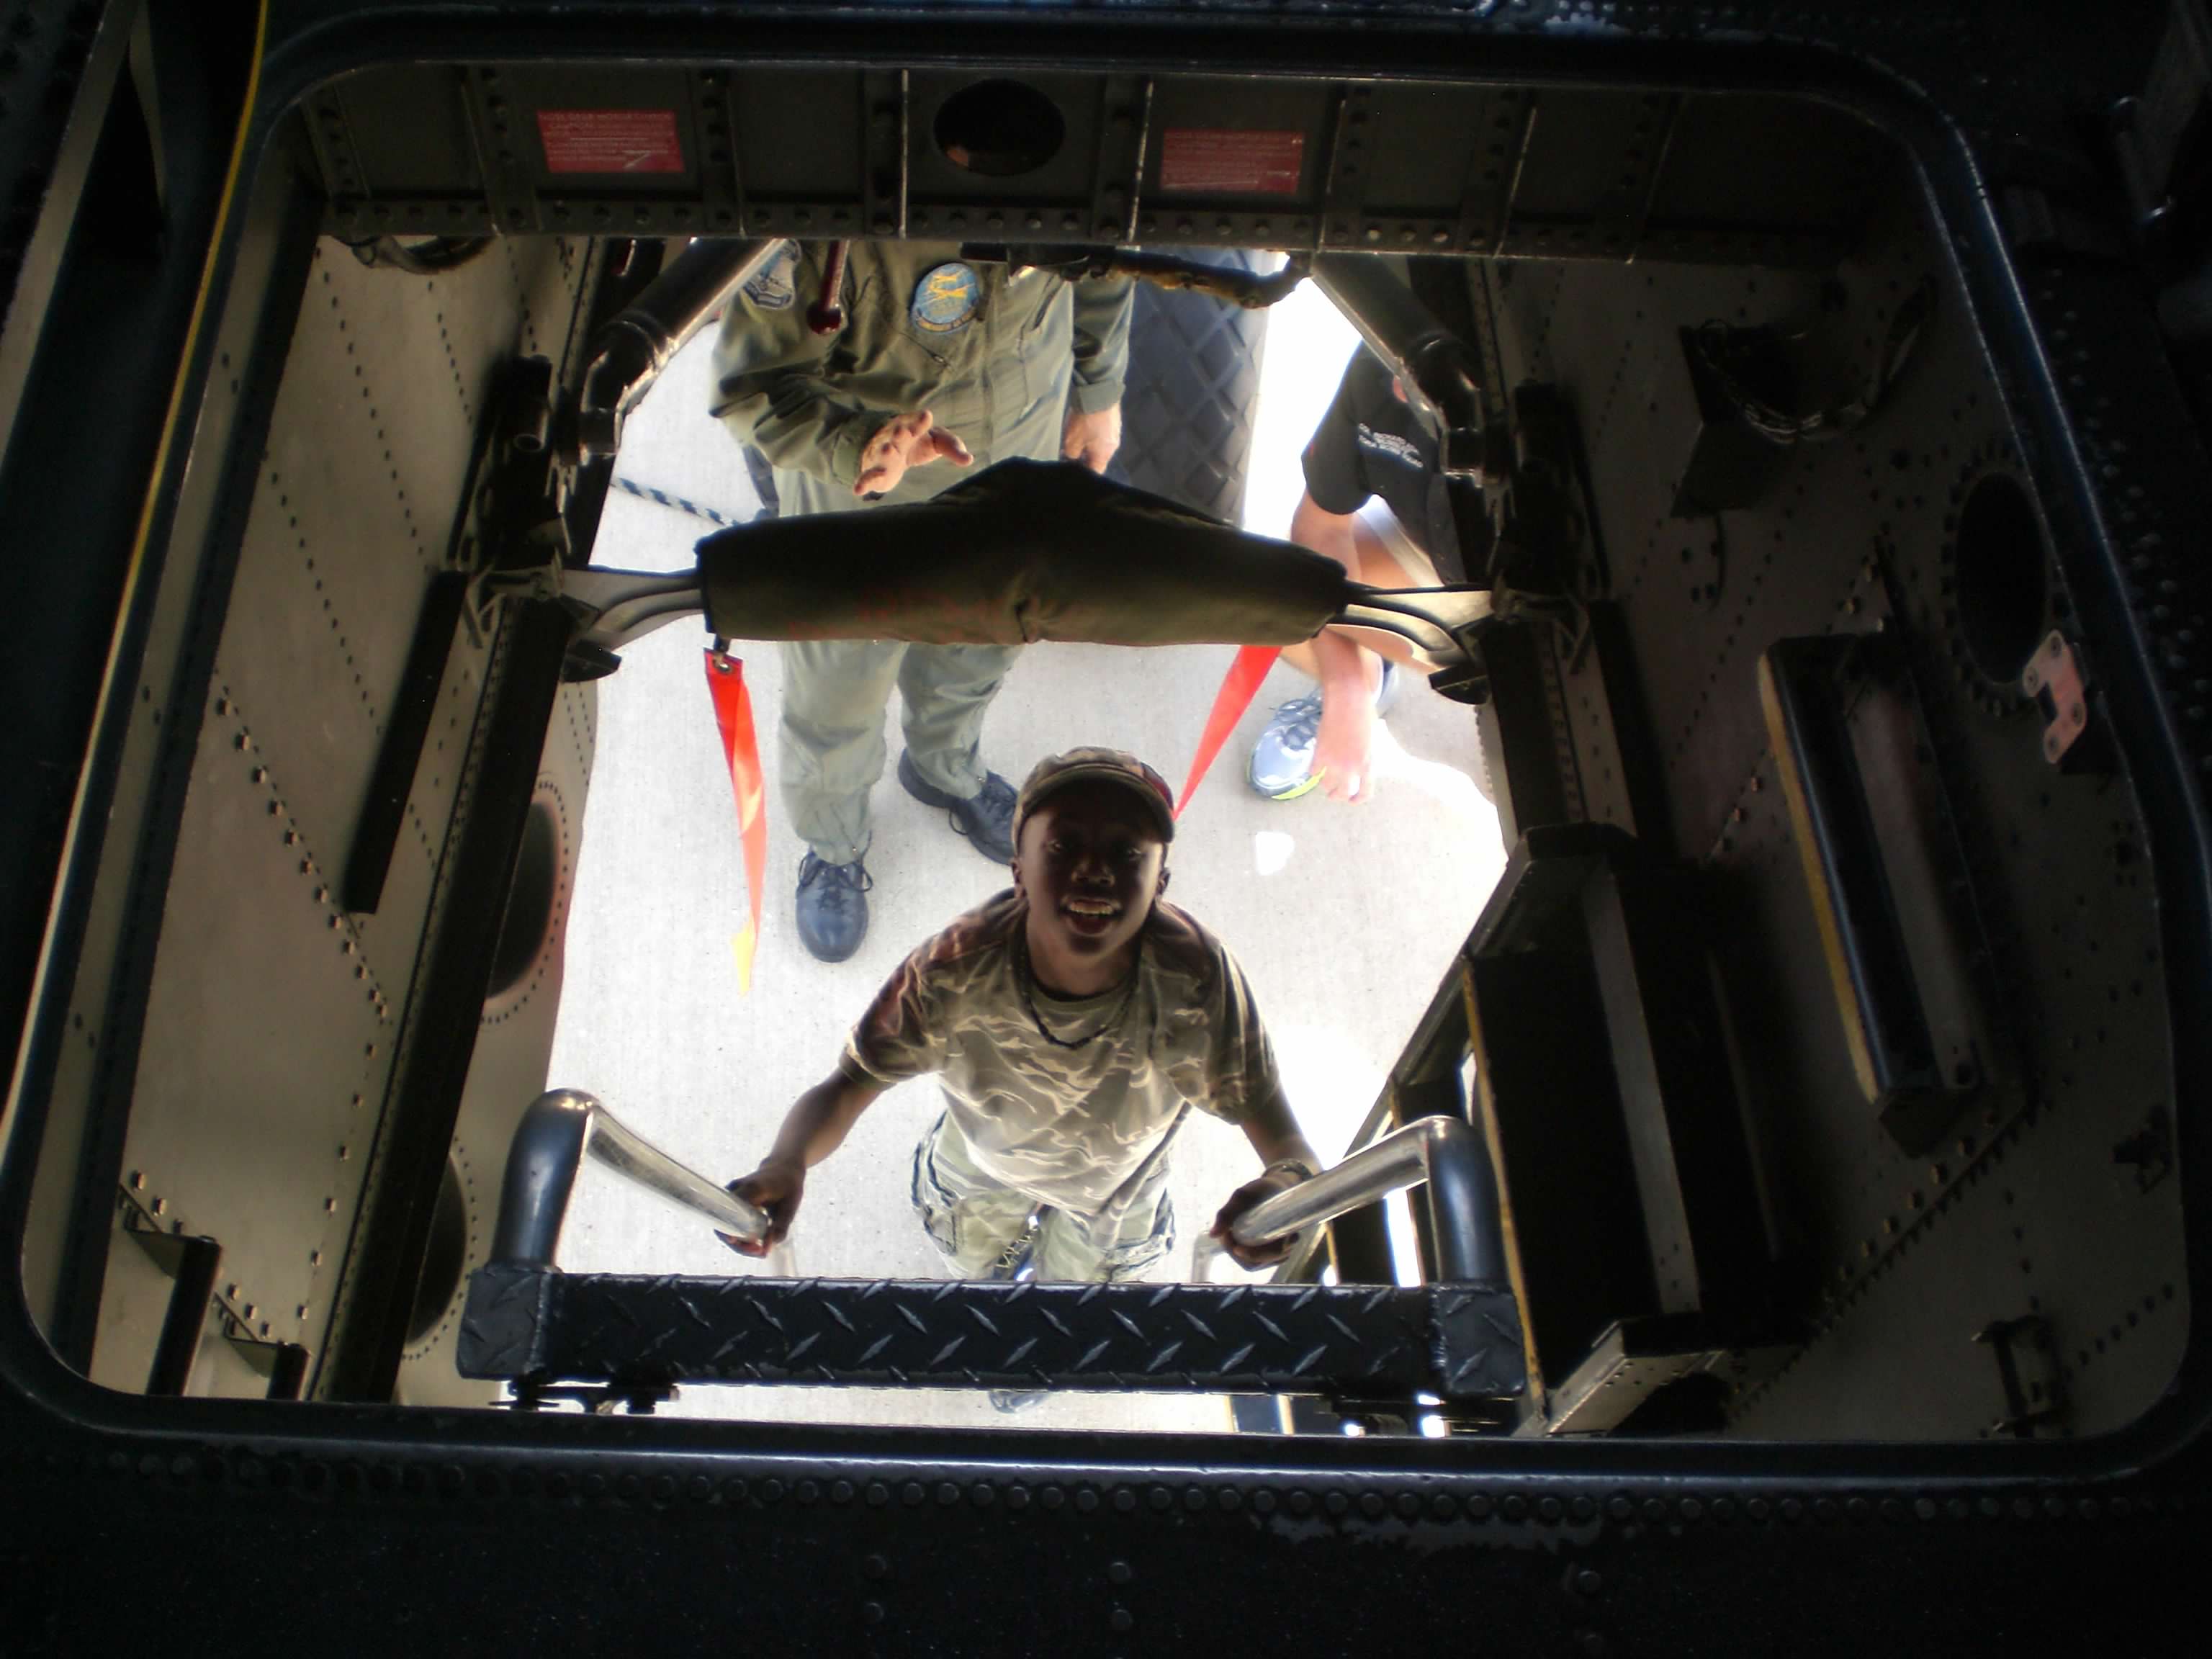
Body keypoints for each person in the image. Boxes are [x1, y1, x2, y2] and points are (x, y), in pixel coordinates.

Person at [724, 747, 1319, 1405]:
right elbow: (848, 1086)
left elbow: (1284, 1138)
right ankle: (997, 1306)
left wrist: (1286, 1192)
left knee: (1079, 1302)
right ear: (1019, 871)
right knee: (971, 1256)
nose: (1094, 870)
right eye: (1063, 846)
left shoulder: (1195, 982)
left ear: (1161, 882)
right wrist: (787, 1162)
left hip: (1118, 1184)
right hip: (984, 1156)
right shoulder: (954, 968)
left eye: (1127, 853)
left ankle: (1040, 1353)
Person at [712, 242, 1135, 961]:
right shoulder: (817, 222)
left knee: (987, 636)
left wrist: (1100, 389)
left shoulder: (1064, 171)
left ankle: (944, 765)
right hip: (865, 476)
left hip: (1018, 444)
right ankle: (835, 844)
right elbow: (752, 383)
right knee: (838, 685)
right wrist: (853, 446)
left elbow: (1106, 251)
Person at [1248, 346, 1483, 804]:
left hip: (1541, 602)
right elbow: (1321, 529)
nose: (1401, 378)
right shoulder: (1385, 360)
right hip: (1432, 557)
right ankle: (1370, 677)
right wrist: (1347, 684)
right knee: (1273, 594)